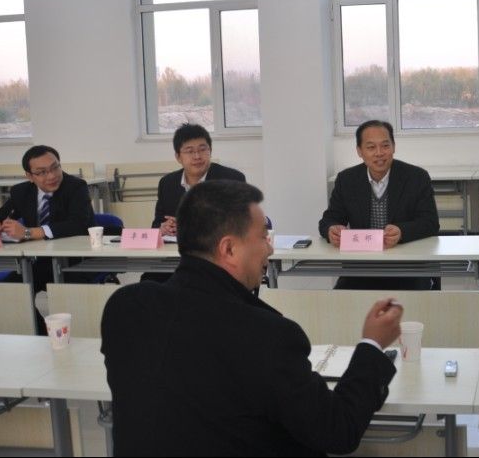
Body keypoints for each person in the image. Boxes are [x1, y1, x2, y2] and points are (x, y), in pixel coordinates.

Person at [102, 180, 403, 457]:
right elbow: (338, 430)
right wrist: (372, 345)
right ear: (229, 249)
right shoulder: (267, 336)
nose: (270, 248)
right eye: (262, 237)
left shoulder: (125, 307)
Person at [0, 145, 96, 331]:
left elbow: (78, 224)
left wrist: (29, 233)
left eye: (55, 167)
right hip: (36, 262)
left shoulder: (76, 187)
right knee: (12, 293)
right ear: (29, 176)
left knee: (71, 298)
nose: (51, 176)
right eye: (42, 172)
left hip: (74, 261)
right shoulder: (21, 192)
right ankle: (42, 334)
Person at [319, 120, 440, 290]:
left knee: (413, 300)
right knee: (340, 301)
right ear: (359, 151)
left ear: (393, 147)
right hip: (362, 267)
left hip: (407, 266)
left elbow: (430, 223)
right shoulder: (347, 180)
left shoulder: (416, 177)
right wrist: (331, 229)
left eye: (385, 146)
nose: (379, 153)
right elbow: (329, 219)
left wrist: (402, 232)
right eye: (371, 147)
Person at [152, 123, 246, 236]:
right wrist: (163, 229)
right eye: (190, 151)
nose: (197, 156)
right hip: (176, 247)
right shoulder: (167, 183)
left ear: (210, 151)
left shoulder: (232, 180)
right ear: (178, 157)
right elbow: (156, 225)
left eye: (202, 149)